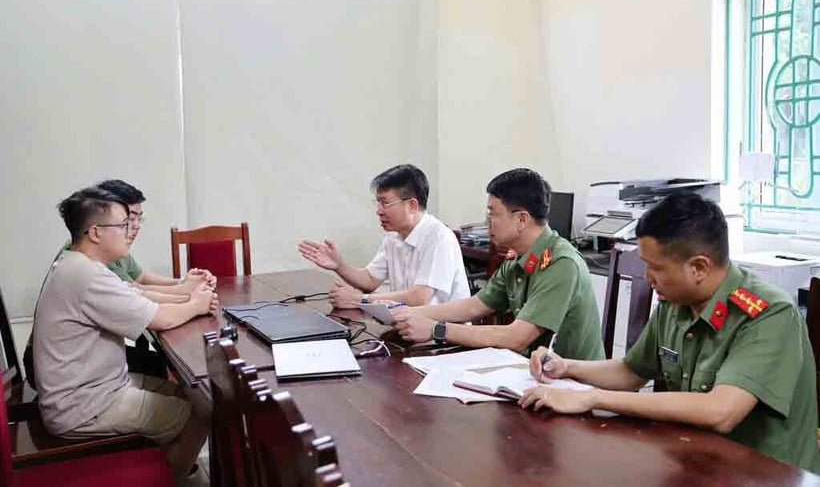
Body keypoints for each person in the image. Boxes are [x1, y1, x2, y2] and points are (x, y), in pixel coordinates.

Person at [519, 193, 820, 472]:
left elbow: (721, 411)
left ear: (699, 267)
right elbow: (631, 371)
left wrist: (594, 399)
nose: (648, 278)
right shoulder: (677, 304)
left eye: (655, 268)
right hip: (696, 462)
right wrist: (567, 367)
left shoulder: (767, 315)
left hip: (761, 475)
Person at [32, 186, 216, 479]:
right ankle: (171, 477)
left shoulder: (81, 265)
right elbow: (159, 319)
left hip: (93, 388)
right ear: (95, 233)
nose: (130, 230)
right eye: (122, 224)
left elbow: (137, 295)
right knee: (205, 411)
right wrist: (195, 304)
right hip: (85, 405)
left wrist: (188, 296)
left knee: (193, 393)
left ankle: (168, 461)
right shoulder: (87, 276)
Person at [391, 168, 604, 358]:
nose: (487, 221)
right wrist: (408, 314)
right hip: (532, 373)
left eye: (492, 213)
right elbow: (475, 306)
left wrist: (436, 329)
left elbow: (516, 338)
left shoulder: (561, 264)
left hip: (574, 386)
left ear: (522, 219)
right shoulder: (517, 260)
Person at [23, 179, 215, 385]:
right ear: (97, 228)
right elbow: (145, 301)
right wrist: (192, 300)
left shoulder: (84, 260)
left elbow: (138, 285)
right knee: (180, 380)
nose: (133, 228)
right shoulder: (88, 269)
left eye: (136, 219)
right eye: (125, 222)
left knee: (168, 371)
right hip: (69, 380)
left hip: (75, 367)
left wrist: (183, 286)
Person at [299, 164, 469, 307]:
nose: (379, 211)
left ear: (412, 205)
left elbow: (420, 297)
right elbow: (370, 279)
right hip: (410, 326)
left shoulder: (438, 236)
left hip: (445, 337)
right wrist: (339, 265)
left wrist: (360, 300)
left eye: (385, 203)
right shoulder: (393, 236)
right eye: (378, 203)